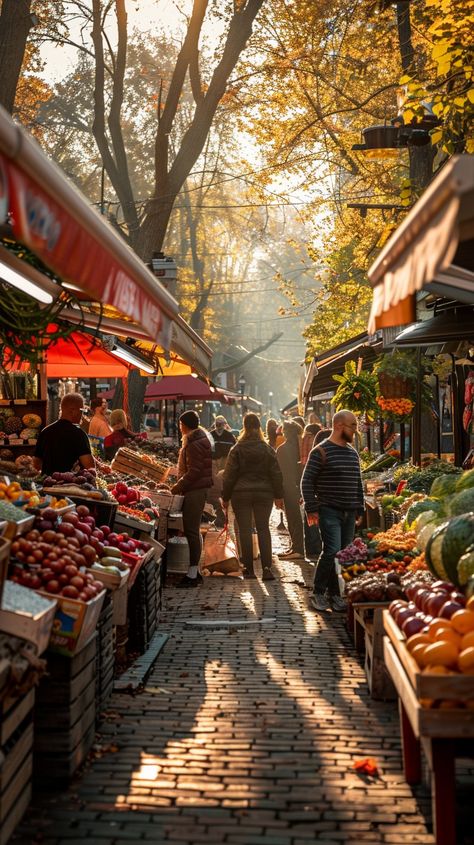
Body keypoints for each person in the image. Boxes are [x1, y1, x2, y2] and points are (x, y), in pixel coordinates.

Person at [301, 410, 364, 613]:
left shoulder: (352, 452)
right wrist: (312, 507)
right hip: (329, 510)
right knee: (332, 551)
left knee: (343, 554)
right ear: (339, 426)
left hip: (349, 511)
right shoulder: (321, 451)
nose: (356, 430)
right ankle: (318, 592)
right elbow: (306, 481)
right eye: (352, 425)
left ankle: (335, 594)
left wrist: (359, 508)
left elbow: (358, 483)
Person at [222, 413, 284, 581]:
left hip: (240, 493)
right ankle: (266, 569)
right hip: (264, 493)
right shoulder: (267, 449)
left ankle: (249, 569)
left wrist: (225, 497)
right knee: (263, 529)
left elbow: (229, 475)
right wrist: (279, 496)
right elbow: (276, 474)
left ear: (245, 427)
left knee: (245, 530)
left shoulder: (237, 448)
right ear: (259, 427)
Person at [170, 410, 213, 588]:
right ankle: (195, 571)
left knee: (191, 531)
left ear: (185, 425)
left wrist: (178, 485)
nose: (180, 428)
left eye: (180, 425)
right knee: (193, 530)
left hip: (195, 490)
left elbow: (194, 471)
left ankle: (193, 573)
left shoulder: (194, 443)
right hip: (196, 488)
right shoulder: (198, 439)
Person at [33, 392, 95, 476]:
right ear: (72, 411)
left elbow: (36, 464)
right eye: (82, 410)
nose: (82, 415)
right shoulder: (79, 434)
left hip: (48, 485)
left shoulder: (45, 432)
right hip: (72, 486)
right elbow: (90, 467)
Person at [276, 420, 305, 560]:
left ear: (285, 432)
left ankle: (297, 548)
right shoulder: (300, 447)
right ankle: (295, 547)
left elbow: (280, 473)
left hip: (288, 487)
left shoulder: (282, 449)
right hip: (300, 485)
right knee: (297, 518)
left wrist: (278, 493)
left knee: (293, 519)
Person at [301, 423, 322, 562]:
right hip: (320, 499)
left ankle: (313, 549)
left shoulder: (314, 449)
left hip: (316, 496)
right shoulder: (319, 453)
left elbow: (306, 479)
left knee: (312, 523)